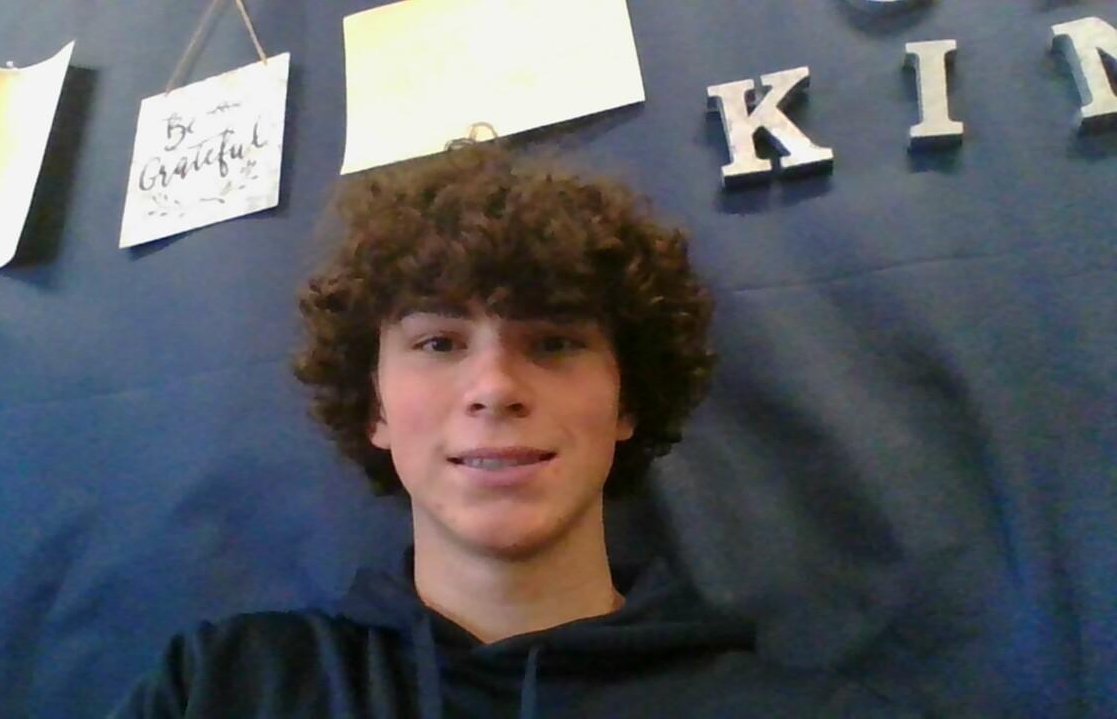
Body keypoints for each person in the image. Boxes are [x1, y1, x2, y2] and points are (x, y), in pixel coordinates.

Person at [110, 140, 918, 718]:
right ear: (376, 407)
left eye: (555, 342)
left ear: (627, 401)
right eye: (439, 343)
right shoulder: (219, 688)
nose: (494, 387)